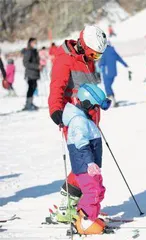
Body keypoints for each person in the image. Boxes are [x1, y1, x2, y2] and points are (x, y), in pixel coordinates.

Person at [47, 25, 107, 224]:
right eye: (94, 55)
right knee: (83, 163)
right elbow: (57, 87)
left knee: (93, 163)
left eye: (98, 56)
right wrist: (56, 110)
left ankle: (78, 203)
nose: (95, 59)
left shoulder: (88, 59)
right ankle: (67, 205)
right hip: (74, 120)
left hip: (90, 117)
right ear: (83, 45)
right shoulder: (64, 60)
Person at [62, 83, 111, 235]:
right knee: (92, 192)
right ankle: (85, 222)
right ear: (87, 103)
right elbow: (81, 145)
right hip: (84, 165)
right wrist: (89, 162)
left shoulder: (84, 118)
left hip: (90, 165)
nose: (96, 110)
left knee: (98, 190)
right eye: (95, 107)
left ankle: (90, 216)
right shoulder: (78, 121)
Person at [98, 41, 129, 107]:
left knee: (107, 86)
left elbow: (102, 62)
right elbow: (119, 58)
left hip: (107, 72)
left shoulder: (104, 52)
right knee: (109, 86)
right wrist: (125, 65)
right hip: (113, 73)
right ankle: (112, 99)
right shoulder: (113, 50)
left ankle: (112, 101)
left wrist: (99, 65)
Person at [23, 37, 41, 111]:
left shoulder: (34, 51)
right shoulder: (29, 51)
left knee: (33, 88)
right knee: (30, 88)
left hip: (34, 74)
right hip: (30, 74)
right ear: (30, 43)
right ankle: (28, 104)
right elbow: (25, 63)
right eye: (34, 42)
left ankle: (30, 102)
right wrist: (37, 66)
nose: (35, 44)